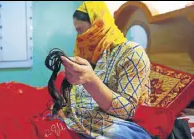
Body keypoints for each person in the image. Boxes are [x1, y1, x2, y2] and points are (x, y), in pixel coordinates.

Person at [58, 1, 152, 139]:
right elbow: (75, 97)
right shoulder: (86, 54)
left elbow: (127, 111)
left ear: (99, 25)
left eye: (85, 31)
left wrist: (90, 81)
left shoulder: (132, 53)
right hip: (82, 116)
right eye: (78, 32)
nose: (82, 38)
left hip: (118, 123)